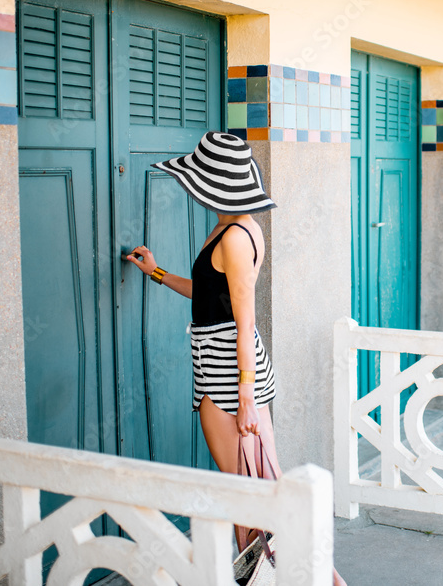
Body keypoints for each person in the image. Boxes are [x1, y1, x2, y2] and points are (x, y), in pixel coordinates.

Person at [125, 131, 346, 586]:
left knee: (248, 494)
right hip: (225, 365)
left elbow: (244, 321)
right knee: (260, 488)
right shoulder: (234, 226)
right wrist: (158, 272)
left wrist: (245, 396)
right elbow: (209, 297)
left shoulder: (235, 239)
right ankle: (311, 578)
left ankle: (292, 578)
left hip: (229, 371)